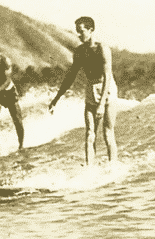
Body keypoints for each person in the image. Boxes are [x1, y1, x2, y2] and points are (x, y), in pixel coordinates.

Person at [49, 17, 119, 165]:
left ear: (90, 30)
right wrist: (56, 98)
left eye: (81, 32)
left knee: (107, 132)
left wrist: (101, 104)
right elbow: (71, 76)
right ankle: (89, 169)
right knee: (89, 133)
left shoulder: (103, 49)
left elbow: (107, 76)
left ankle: (113, 166)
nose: (79, 35)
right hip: (91, 89)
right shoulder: (80, 51)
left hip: (107, 88)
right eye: (77, 32)